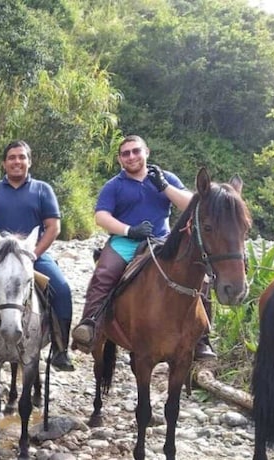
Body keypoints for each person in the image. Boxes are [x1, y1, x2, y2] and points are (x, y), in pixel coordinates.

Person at [70, 134, 216, 360]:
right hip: (125, 241)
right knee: (104, 274)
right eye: (125, 153)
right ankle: (90, 325)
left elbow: (192, 204)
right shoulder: (114, 186)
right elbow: (101, 216)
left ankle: (201, 337)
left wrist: (164, 187)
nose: (131, 157)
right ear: (120, 159)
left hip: (163, 240)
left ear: (146, 152)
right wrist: (129, 230)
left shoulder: (165, 178)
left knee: (200, 276)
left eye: (136, 151)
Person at [0, 140, 75, 371]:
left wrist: (33, 255)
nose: (17, 161)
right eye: (11, 157)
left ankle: (61, 349)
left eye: (21, 157)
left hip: (34, 255)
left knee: (62, 288)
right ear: (4, 163)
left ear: (29, 161)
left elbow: (53, 227)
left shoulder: (42, 189)